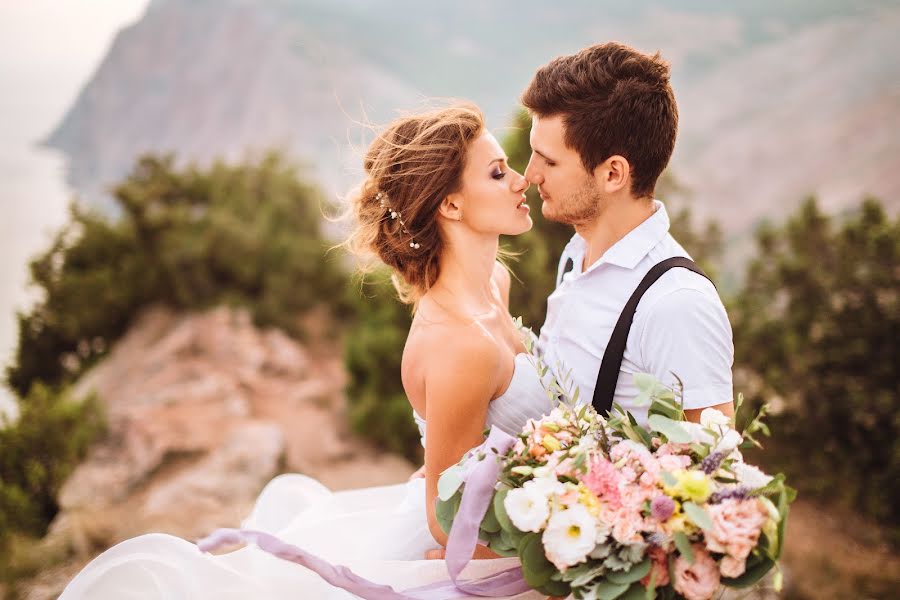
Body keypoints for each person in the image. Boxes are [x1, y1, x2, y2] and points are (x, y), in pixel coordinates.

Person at [59, 103, 551, 599]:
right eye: (496, 173)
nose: (520, 180)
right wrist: (558, 550)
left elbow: (461, 453)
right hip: (487, 554)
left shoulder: (495, 281)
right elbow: (443, 518)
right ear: (450, 205)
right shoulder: (459, 344)